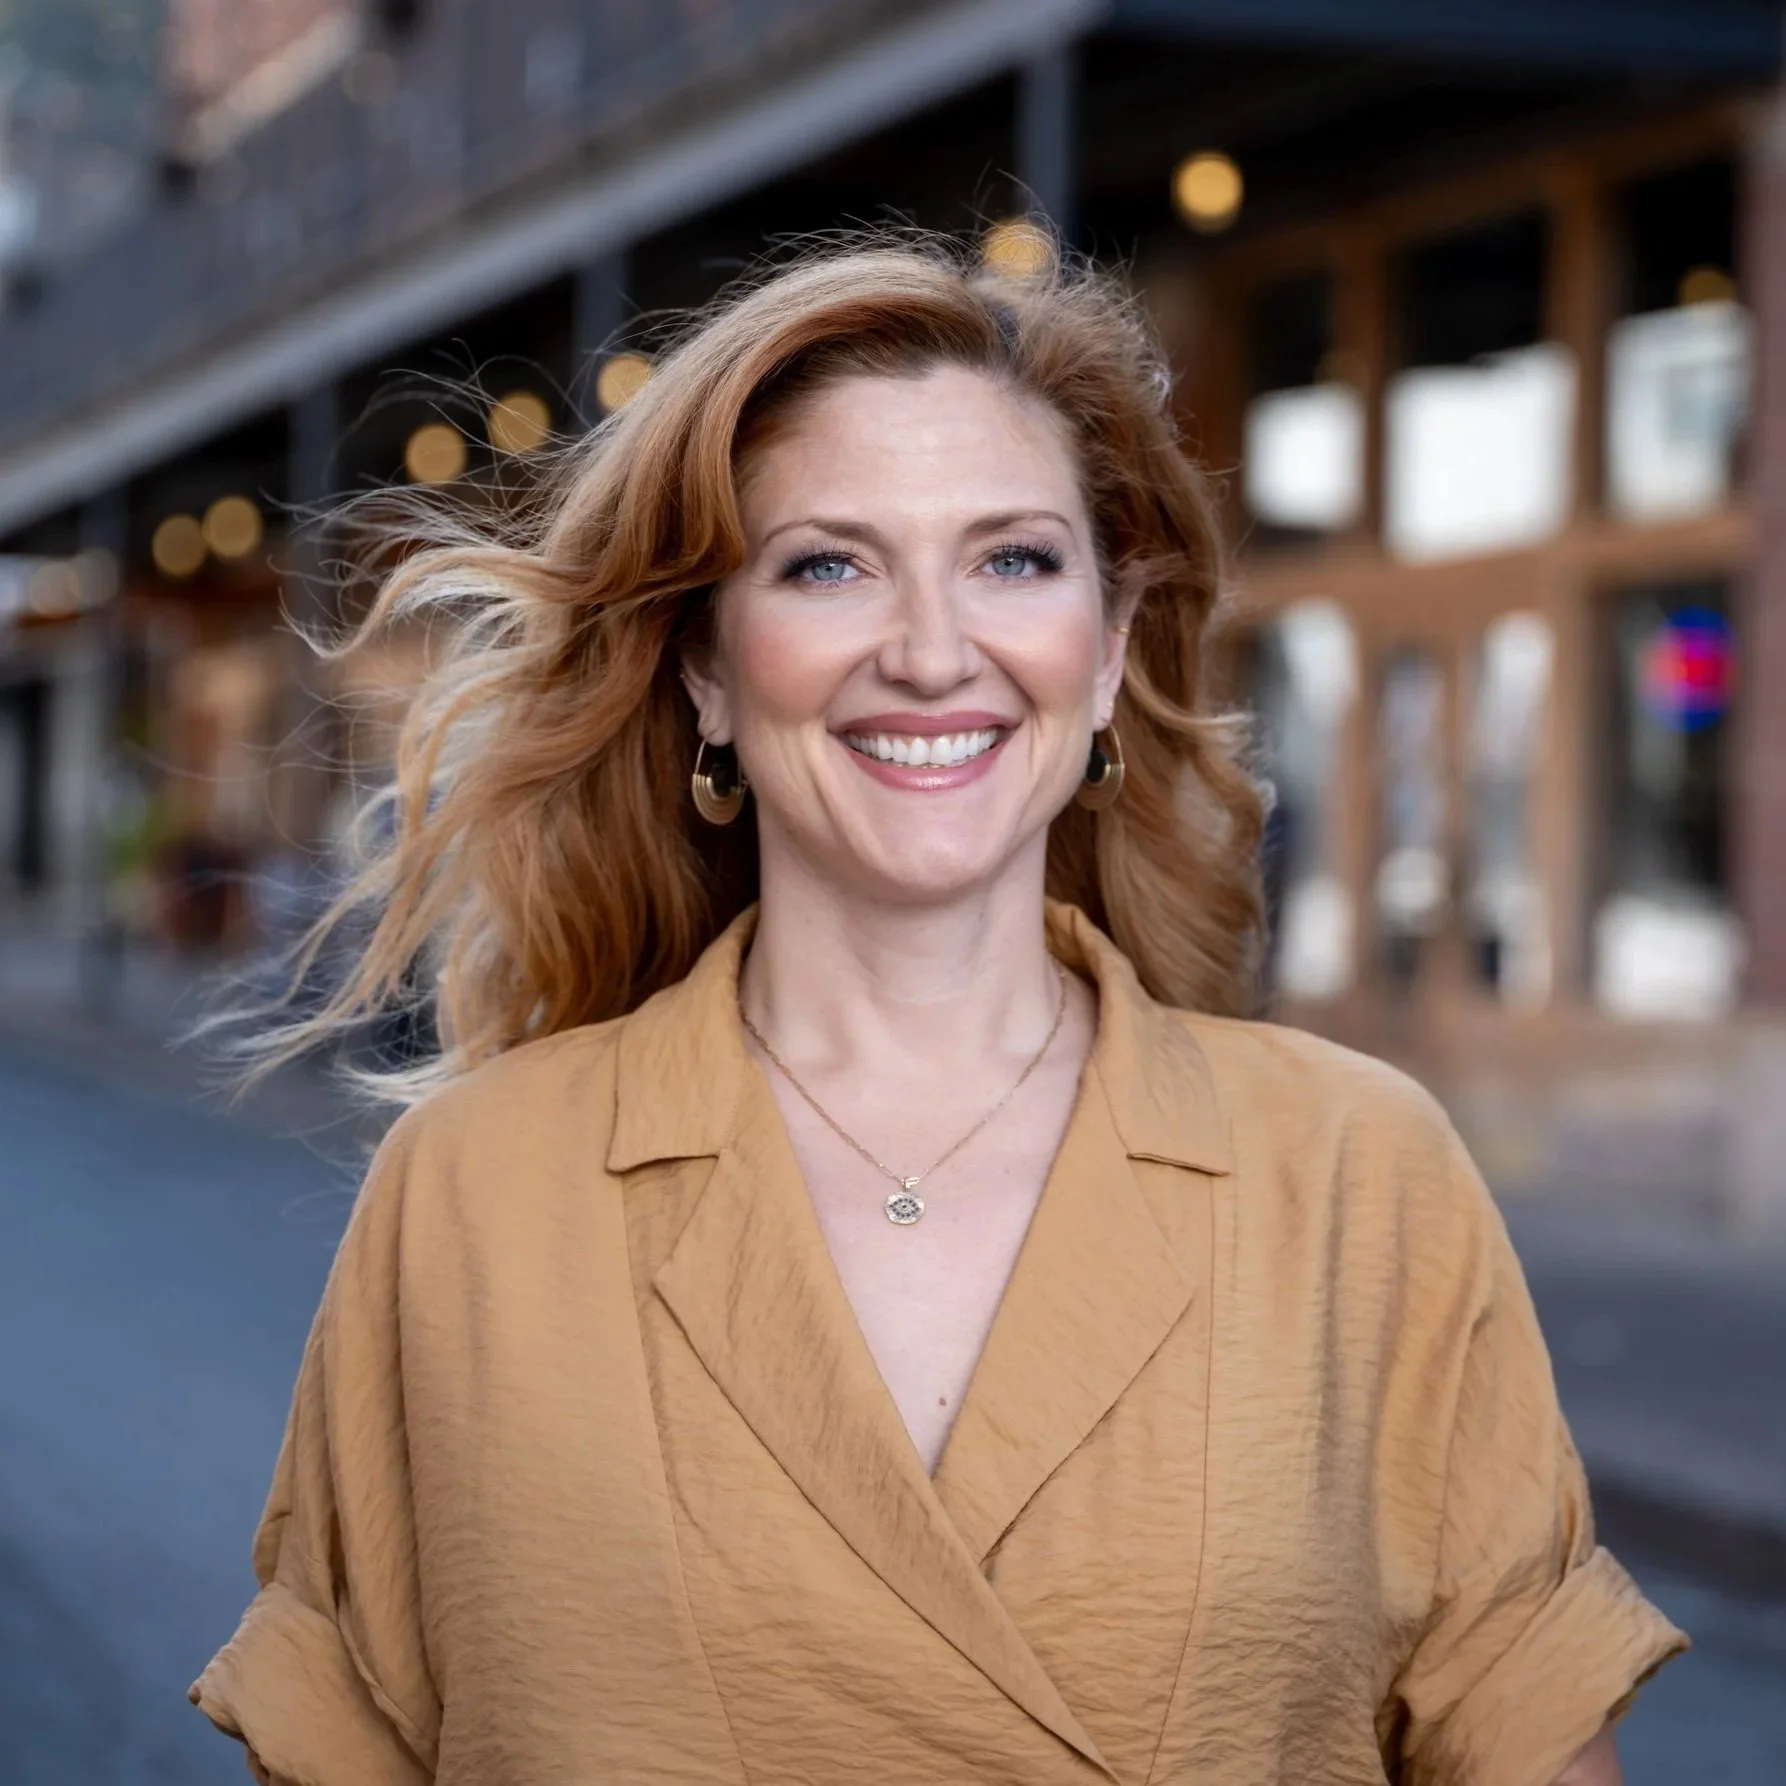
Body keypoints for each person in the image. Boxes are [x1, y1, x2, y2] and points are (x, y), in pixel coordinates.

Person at [192, 238, 1682, 1785]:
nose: (926, 649)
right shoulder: (476, 1190)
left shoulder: (1359, 1176)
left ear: (1106, 651)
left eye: (1014, 560)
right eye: (826, 563)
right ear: (703, 664)